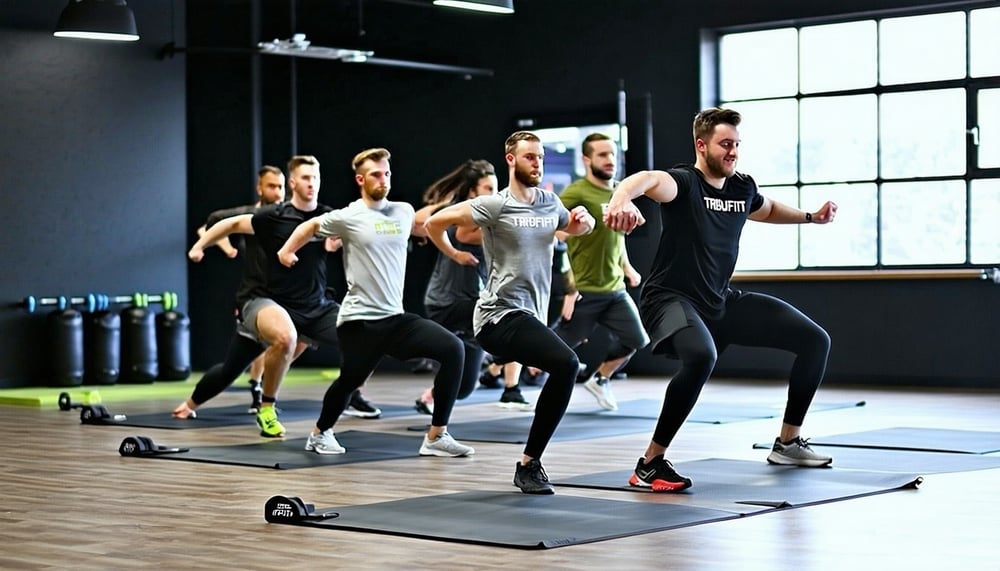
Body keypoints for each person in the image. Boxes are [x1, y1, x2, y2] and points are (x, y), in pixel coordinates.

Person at [603, 107, 838, 492]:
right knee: (701, 357)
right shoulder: (683, 183)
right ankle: (650, 464)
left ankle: (788, 443)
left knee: (815, 340)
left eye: (737, 145)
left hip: (719, 300)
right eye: (726, 144)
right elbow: (645, 180)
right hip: (670, 298)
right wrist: (621, 199)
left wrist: (811, 217)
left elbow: (768, 208)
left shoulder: (741, 187)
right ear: (702, 145)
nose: (733, 152)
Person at [425, 131, 596, 494]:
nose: (537, 163)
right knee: (566, 363)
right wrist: (454, 253)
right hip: (496, 316)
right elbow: (433, 224)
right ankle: (529, 465)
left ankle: (526, 453)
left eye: (541, 157)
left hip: (528, 316)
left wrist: (585, 221)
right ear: (511, 160)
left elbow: (578, 226)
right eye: (530, 157)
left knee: (558, 367)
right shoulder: (494, 204)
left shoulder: (550, 202)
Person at [279, 147, 475, 458]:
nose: (383, 179)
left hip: (395, 319)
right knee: (350, 381)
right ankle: (319, 433)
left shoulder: (402, 211)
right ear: (360, 179)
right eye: (375, 174)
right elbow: (309, 226)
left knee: (453, 349)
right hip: (360, 322)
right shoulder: (350, 216)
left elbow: (433, 222)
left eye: (386, 173)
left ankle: (437, 436)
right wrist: (287, 251)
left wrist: (455, 251)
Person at [184, 155, 354, 437]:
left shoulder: (328, 216)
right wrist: (200, 247)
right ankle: (264, 407)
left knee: (362, 339)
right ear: (293, 182)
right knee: (238, 365)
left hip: (314, 306)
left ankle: (337, 412)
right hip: (269, 303)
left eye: (316, 178)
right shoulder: (273, 215)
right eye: (306, 178)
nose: (312, 184)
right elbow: (228, 225)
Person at [175, 166, 311, 416]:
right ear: (260, 188)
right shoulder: (251, 216)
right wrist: (223, 248)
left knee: (300, 338)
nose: (277, 192)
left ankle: (264, 387)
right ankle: (190, 404)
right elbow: (211, 224)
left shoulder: (294, 216)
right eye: (271, 186)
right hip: (257, 299)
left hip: (290, 300)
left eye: (281, 186)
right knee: (232, 368)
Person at [413, 159, 532, 414]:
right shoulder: (463, 220)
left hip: (473, 301)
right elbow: (421, 221)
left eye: (495, 188)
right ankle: (510, 380)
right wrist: (445, 208)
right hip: (447, 302)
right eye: (487, 189)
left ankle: (430, 397)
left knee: (465, 387)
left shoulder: (490, 220)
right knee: (507, 319)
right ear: (472, 192)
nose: (494, 194)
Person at [553, 133, 651, 410]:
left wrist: (628, 268)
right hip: (584, 291)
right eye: (602, 155)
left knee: (637, 339)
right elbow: (556, 238)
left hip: (615, 290)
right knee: (553, 350)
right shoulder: (576, 193)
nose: (610, 160)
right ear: (587, 160)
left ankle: (601, 379)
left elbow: (616, 239)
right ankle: (501, 373)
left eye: (612, 154)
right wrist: (568, 287)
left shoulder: (619, 191)